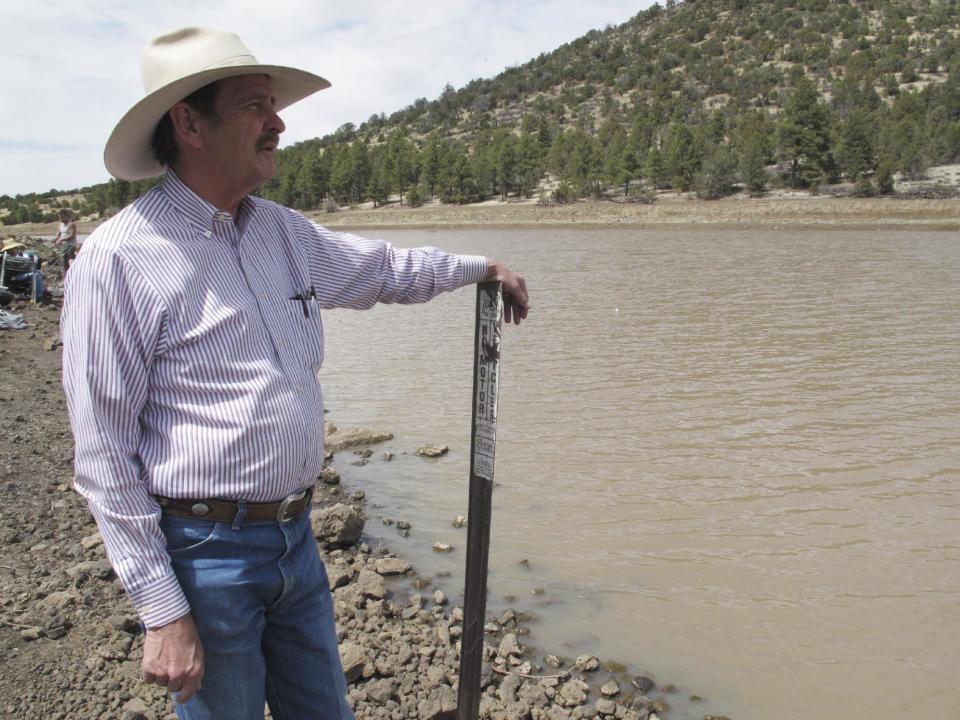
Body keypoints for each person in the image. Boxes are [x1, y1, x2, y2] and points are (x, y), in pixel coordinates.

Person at [60, 26, 528, 720]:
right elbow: (103, 455)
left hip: (296, 540)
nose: (278, 123)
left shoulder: (282, 232)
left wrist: (477, 269)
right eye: (255, 105)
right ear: (189, 122)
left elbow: (380, 271)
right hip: (204, 556)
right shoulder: (117, 261)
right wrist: (162, 610)